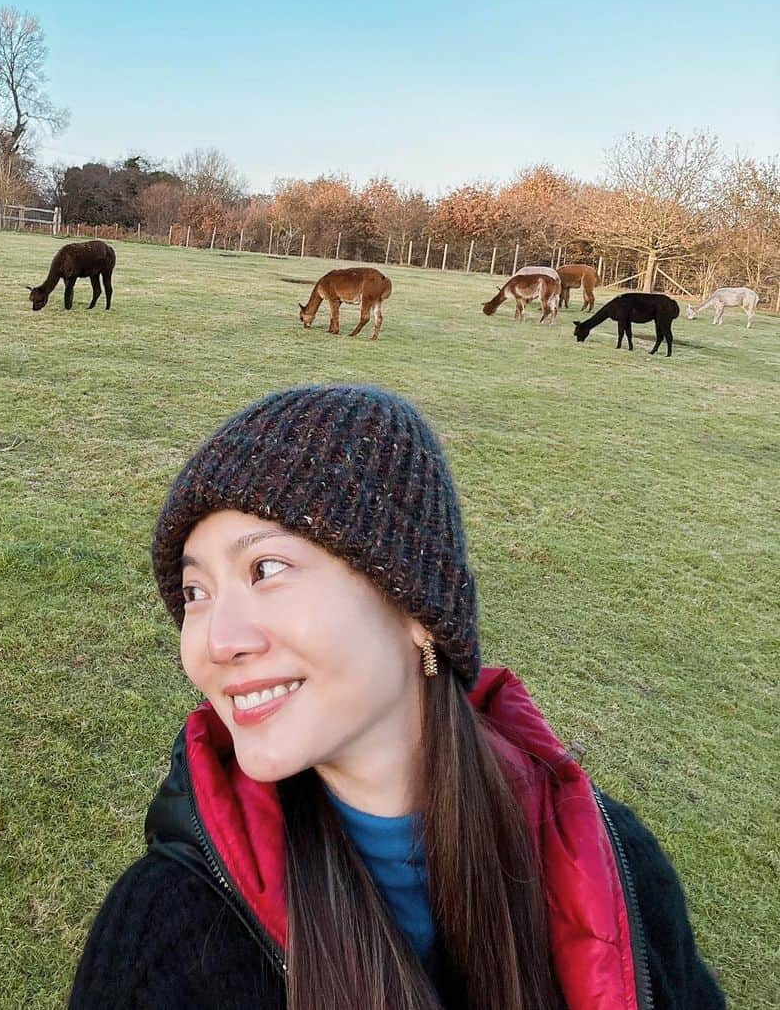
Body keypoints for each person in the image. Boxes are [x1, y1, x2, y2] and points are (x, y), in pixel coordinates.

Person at [69, 384, 725, 1010]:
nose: (217, 641)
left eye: (265, 569)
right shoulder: (173, 936)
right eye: (195, 593)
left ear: (417, 608)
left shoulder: (612, 866)